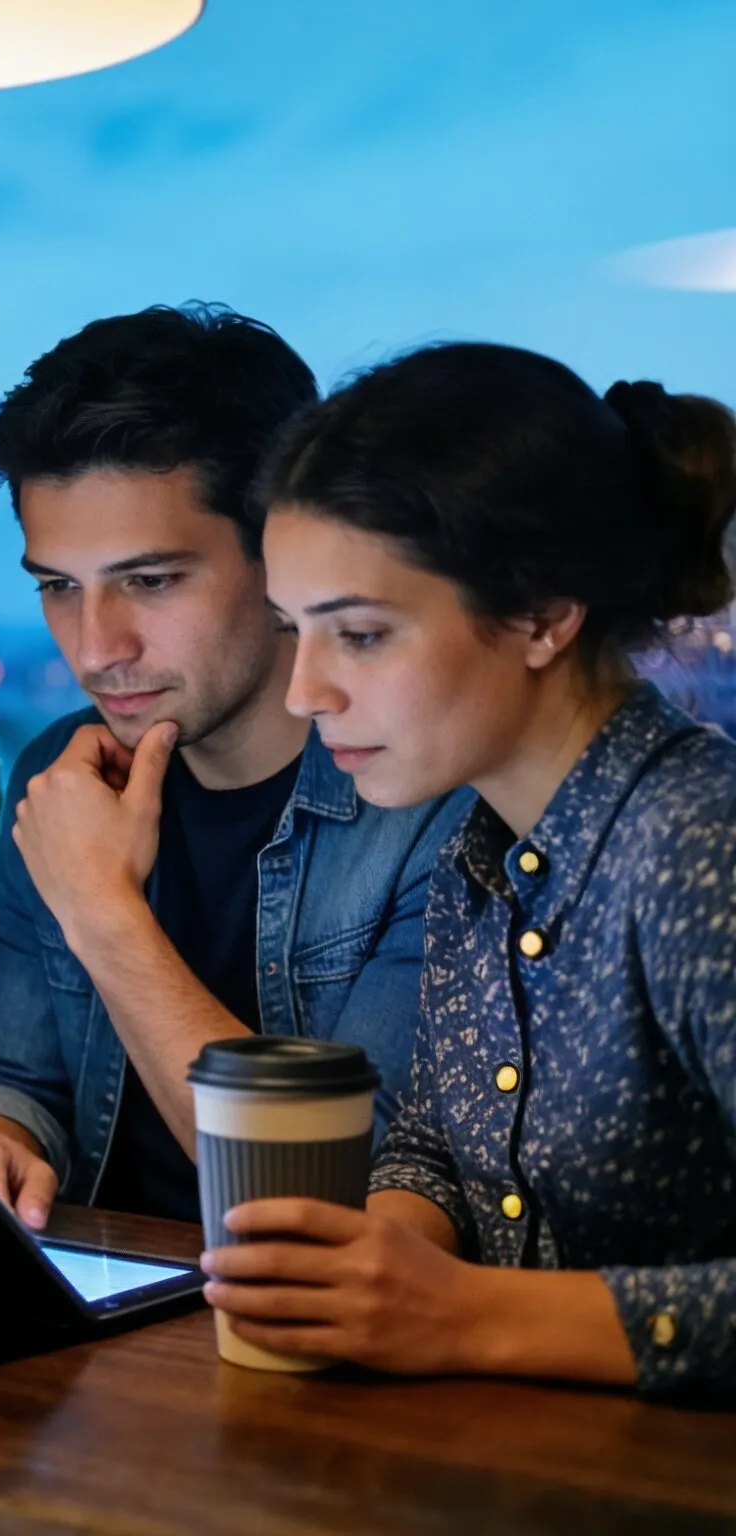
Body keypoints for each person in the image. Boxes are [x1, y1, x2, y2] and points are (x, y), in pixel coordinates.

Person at [204, 342, 736, 1399]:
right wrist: (368, 1262)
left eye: (358, 634)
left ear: (543, 613)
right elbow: (437, 1145)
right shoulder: (480, 851)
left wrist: (466, 1316)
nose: (306, 691)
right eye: (292, 633)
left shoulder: (698, 850)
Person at [0, 306, 468, 1226]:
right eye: (59, 586)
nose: (97, 649)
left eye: (149, 581)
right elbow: (9, 1072)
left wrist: (105, 913)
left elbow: (348, 1189)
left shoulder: (428, 801)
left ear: (281, 552)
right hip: (104, 1304)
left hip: (308, 1337)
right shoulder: (60, 778)